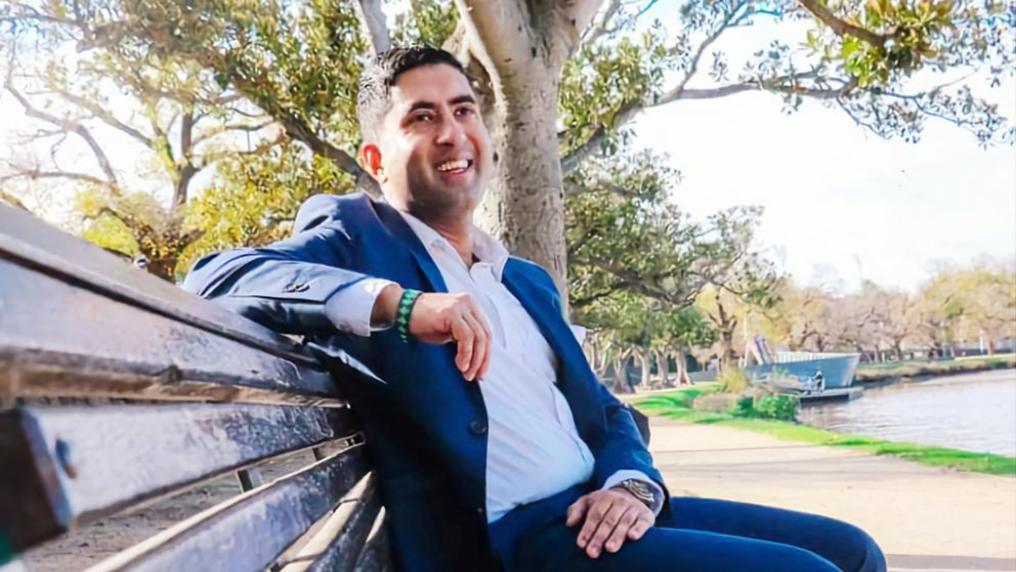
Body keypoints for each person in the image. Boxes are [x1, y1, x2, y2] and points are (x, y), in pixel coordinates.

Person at [183, 46, 886, 572]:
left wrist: (632, 484)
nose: (452, 132)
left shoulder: (524, 281)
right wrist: (398, 306)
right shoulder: (358, 236)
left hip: (599, 510)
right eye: (421, 117)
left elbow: (609, 414)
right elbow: (214, 277)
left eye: (463, 110)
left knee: (854, 552)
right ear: (377, 155)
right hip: (511, 542)